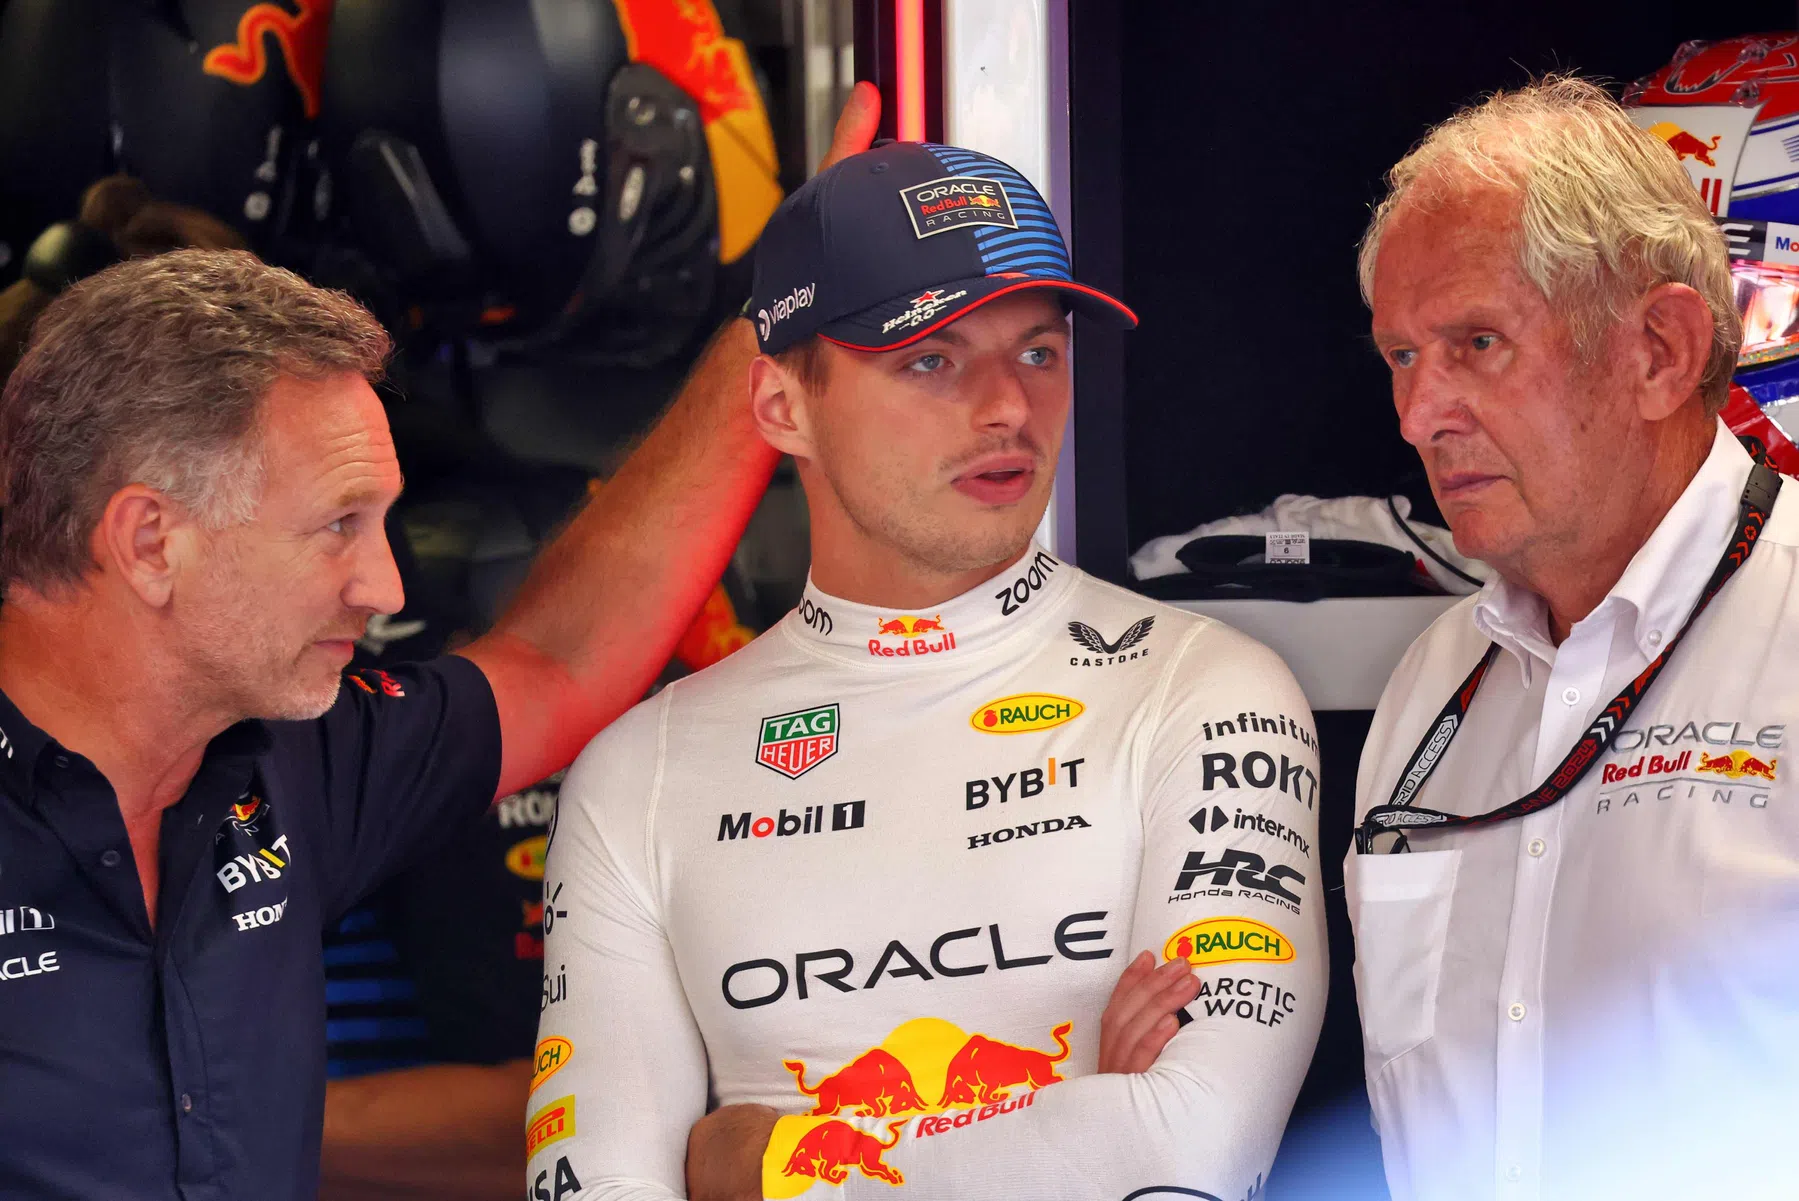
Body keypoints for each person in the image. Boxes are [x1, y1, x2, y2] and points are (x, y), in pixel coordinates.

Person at [0, 85, 881, 1201]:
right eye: (335, 527)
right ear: (148, 540)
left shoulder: (287, 762)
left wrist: (778, 313)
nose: (384, 582)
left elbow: (558, 659)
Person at [533, 139, 1327, 1201]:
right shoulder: (642, 773)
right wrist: (1068, 1125)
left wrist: (757, 1162)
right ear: (781, 406)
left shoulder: (1207, 692)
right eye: (931, 359)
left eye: (1038, 353)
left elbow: (1183, 1153)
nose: (1007, 406)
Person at [1349, 75, 1799, 1200]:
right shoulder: (1426, 693)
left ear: (1656, 350)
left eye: (1476, 343)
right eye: (1400, 357)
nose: (1417, 416)